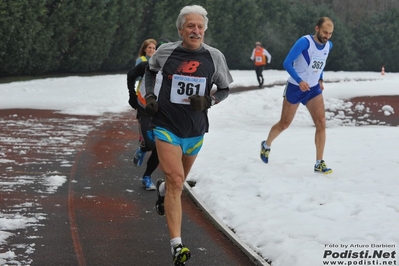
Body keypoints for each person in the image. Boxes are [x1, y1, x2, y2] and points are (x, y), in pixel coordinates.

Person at [144, 5, 233, 265]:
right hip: (166, 125)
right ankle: (177, 245)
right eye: (190, 26)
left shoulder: (214, 57)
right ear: (181, 29)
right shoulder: (165, 52)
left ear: (205, 29)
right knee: (175, 179)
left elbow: (225, 89)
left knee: (177, 183)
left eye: (200, 26)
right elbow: (150, 72)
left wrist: (209, 101)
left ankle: (161, 189)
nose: (196, 31)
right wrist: (149, 96)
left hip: (194, 130)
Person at [260, 17, 334, 174]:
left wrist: (320, 79)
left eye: (330, 33)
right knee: (284, 124)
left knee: (321, 122)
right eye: (324, 32)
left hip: (313, 90)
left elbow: (321, 64)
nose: (327, 36)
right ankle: (266, 145)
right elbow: (287, 62)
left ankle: (319, 162)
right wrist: (300, 81)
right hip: (295, 87)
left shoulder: (329, 45)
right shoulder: (305, 42)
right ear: (317, 29)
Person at [127, 39, 158, 190]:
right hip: (144, 105)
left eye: (154, 48)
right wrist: (132, 95)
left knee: (160, 148)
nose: (153, 50)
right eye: (150, 48)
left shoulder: (173, 67)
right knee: (150, 143)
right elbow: (132, 75)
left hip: (162, 112)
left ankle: (147, 177)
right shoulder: (144, 62)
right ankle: (143, 147)